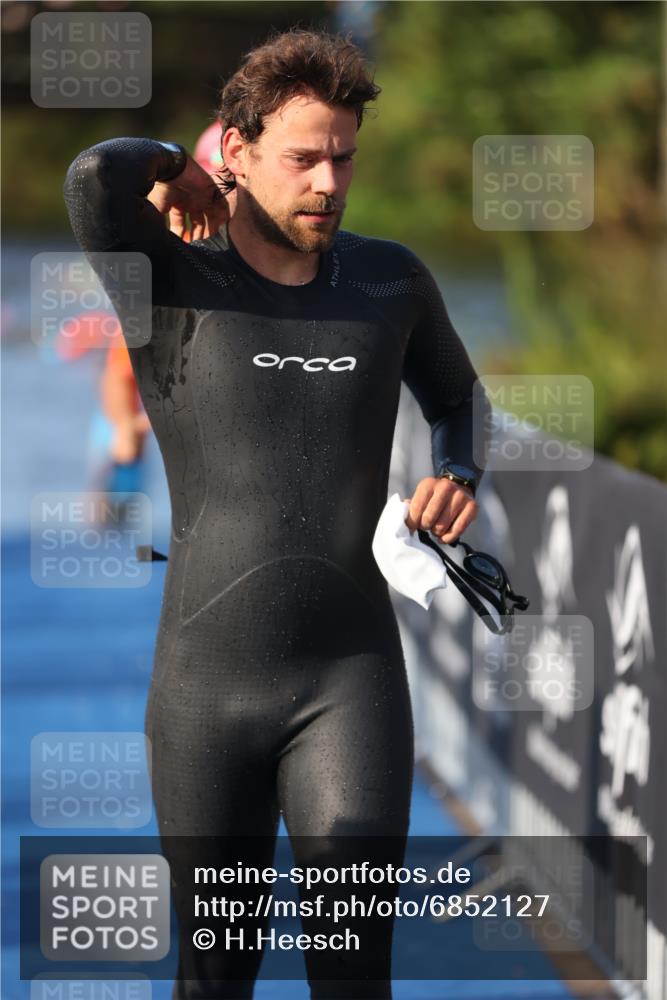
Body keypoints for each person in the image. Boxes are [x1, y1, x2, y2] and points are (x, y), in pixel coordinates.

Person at [63, 27, 485, 1000]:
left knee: (353, 976)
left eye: (343, 155)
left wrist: (459, 469)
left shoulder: (390, 283)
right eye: (303, 156)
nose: (329, 181)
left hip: (352, 683)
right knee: (217, 975)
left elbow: (457, 396)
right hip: (207, 694)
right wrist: (176, 166)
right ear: (239, 151)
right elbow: (93, 178)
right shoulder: (168, 283)